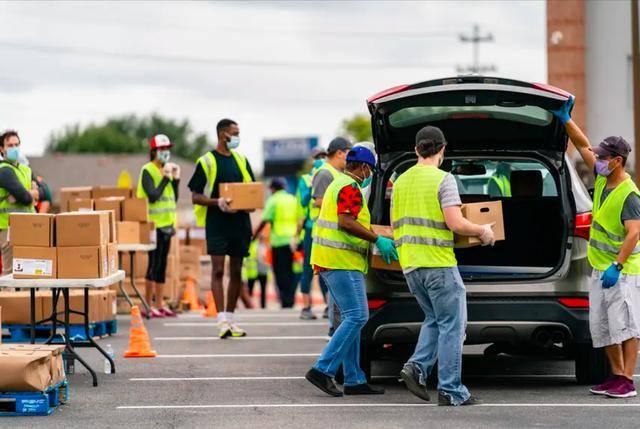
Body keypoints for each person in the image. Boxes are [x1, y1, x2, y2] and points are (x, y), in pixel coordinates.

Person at [392, 125, 495, 406]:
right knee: (453, 325)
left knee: (435, 320)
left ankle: (416, 367)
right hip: (438, 263)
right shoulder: (443, 179)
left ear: (416, 150)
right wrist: (483, 231)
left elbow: (395, 225)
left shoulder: (399, 181)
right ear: (442, 149)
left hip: (411, 266)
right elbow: (455, 222)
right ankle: (451, 390)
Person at [552, 97, 640, 399]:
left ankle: (627, 380)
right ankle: (615, 374)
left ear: (617, 161)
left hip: (623, 271)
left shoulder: (629, 194)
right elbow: (581, 145)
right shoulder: (604, 180)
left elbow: (634, 233)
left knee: (626, 327)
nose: (597, 159)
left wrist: (617, 265)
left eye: (603, 157)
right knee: (602, 328)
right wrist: (565, 120)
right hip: (600, 269)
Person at [305, 146, 397, 397]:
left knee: (350, 318)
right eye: (371, 169)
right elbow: (345, 221)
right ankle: (322, 369)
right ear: (365, 168)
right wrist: (377, 239)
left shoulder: (339, 182)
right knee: (357, 316)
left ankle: (355, 378)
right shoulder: (349, 187)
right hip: (340, 262)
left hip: (334, 260)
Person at [188, 118, 255, 338]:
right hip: (217, 223)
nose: (237, 137)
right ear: (222, 134)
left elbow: (251, 191)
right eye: (234, 133)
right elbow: (196, 196)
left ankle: (231, 318)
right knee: (218, 270)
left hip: (240, 223)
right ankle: (221, 321)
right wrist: (217, 202)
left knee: (236, 271)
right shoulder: (206, 161)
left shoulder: (242, 160)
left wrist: (250, 204)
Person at [311, 137, 352, 333]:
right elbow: (319, 201)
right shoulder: (325, 173)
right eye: (348, 153)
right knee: (334, 288)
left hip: (336, 237)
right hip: (327, 239)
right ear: (340, 153)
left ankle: (334, 326)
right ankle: (333, 327)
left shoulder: (336, 173)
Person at [136, 134, 179, 318]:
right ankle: (148, 305)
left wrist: (175, 180)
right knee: (153, 265)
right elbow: (153, 195)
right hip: (153, 225)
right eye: (162, 149)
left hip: (168, 224)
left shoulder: (167, 170)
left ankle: (160, 305)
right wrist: (165, 179)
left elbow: (174, 198)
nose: (165, 153)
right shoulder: (147, 170)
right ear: (154, 151)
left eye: (167, 149)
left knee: (162, 266)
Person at [253, 179, 298, 308]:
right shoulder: (292, 199)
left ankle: (285, 301)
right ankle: (290, 300)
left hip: (279, 241)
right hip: (293, 242)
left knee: (280, 273)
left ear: (273, 189)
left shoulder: (273, 200)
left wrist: (254, 237)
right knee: (290, 272)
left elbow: (264, 220)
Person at [0, 130, 40, 274]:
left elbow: (43, 191)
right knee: (10, 273)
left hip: (28, 225)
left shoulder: (25, 169)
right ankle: (7, 297)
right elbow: (26, 198)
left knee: (28, 272)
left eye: (17, 145)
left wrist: (31, 193)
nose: (14, 148)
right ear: (2, 149)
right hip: (8, 228)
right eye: (10, 145)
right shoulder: (4, 171)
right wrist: (30, 194)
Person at [296, 146, 328, 320]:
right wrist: (314, 181)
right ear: (312, 160)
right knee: (308, 268)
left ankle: (329, 305)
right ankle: (306, 307)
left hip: (325, 228)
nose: (321, 159)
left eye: (323, 155)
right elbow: (303, 201)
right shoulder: (306, 179)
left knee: (325, 268)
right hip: (310, 228)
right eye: (318, 156)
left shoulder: (330, 173)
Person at [245, 236, 269, 309]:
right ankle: (249, 305)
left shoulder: (265, 245)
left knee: (263, 290)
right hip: (253, 271)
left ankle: (263, 306)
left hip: (262, 270)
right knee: (250, 290)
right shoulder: (252, 245)